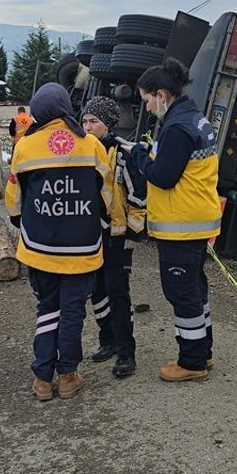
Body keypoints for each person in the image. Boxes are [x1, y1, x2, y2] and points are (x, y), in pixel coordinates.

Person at [5, 83, 111, 401]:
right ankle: (67, 376)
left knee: (47, 308)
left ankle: (41, 379)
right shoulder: (91, 145)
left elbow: (14, 200)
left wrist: (25, 224)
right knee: (73, 311)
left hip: (40, 248)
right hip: (82, 247)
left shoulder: (25, 146)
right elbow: (106, 195)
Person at [125, 58, 222, 382]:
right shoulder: (192, 119)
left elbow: (163, 176)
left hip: (182, 225)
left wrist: (138, 156)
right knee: (195, 290)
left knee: (181, 293)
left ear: (162, 94)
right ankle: (203, 352)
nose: (148, 108)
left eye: (148, 100)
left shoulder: (178, 128)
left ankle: (191, 362)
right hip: (197, 220)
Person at [80, 96, 146, 378]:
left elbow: (138, 196)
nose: (87, 126)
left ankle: (125, 353)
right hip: (91, 235)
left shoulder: (122, 153)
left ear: (107, 123)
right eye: (84, 121)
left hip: (118, 236)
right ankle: (106, 340)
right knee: (96, 291)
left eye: (93, 121)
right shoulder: (82, 151)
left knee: (118, 293)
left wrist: (132, 234)